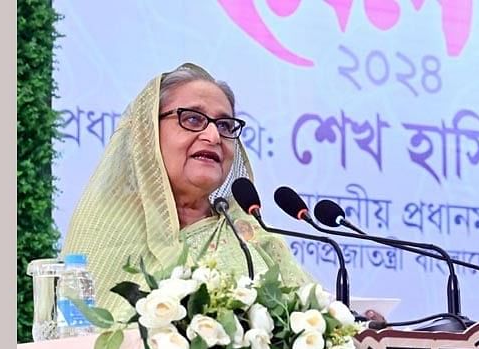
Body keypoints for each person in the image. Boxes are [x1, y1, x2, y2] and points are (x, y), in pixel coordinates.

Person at [61, 63, 315, 320]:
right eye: (193, 118)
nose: (214, 136)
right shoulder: (105, 230)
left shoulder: (253, 239)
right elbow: (74, 343)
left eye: (226, 125)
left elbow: (317, 326)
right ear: (147, 135)